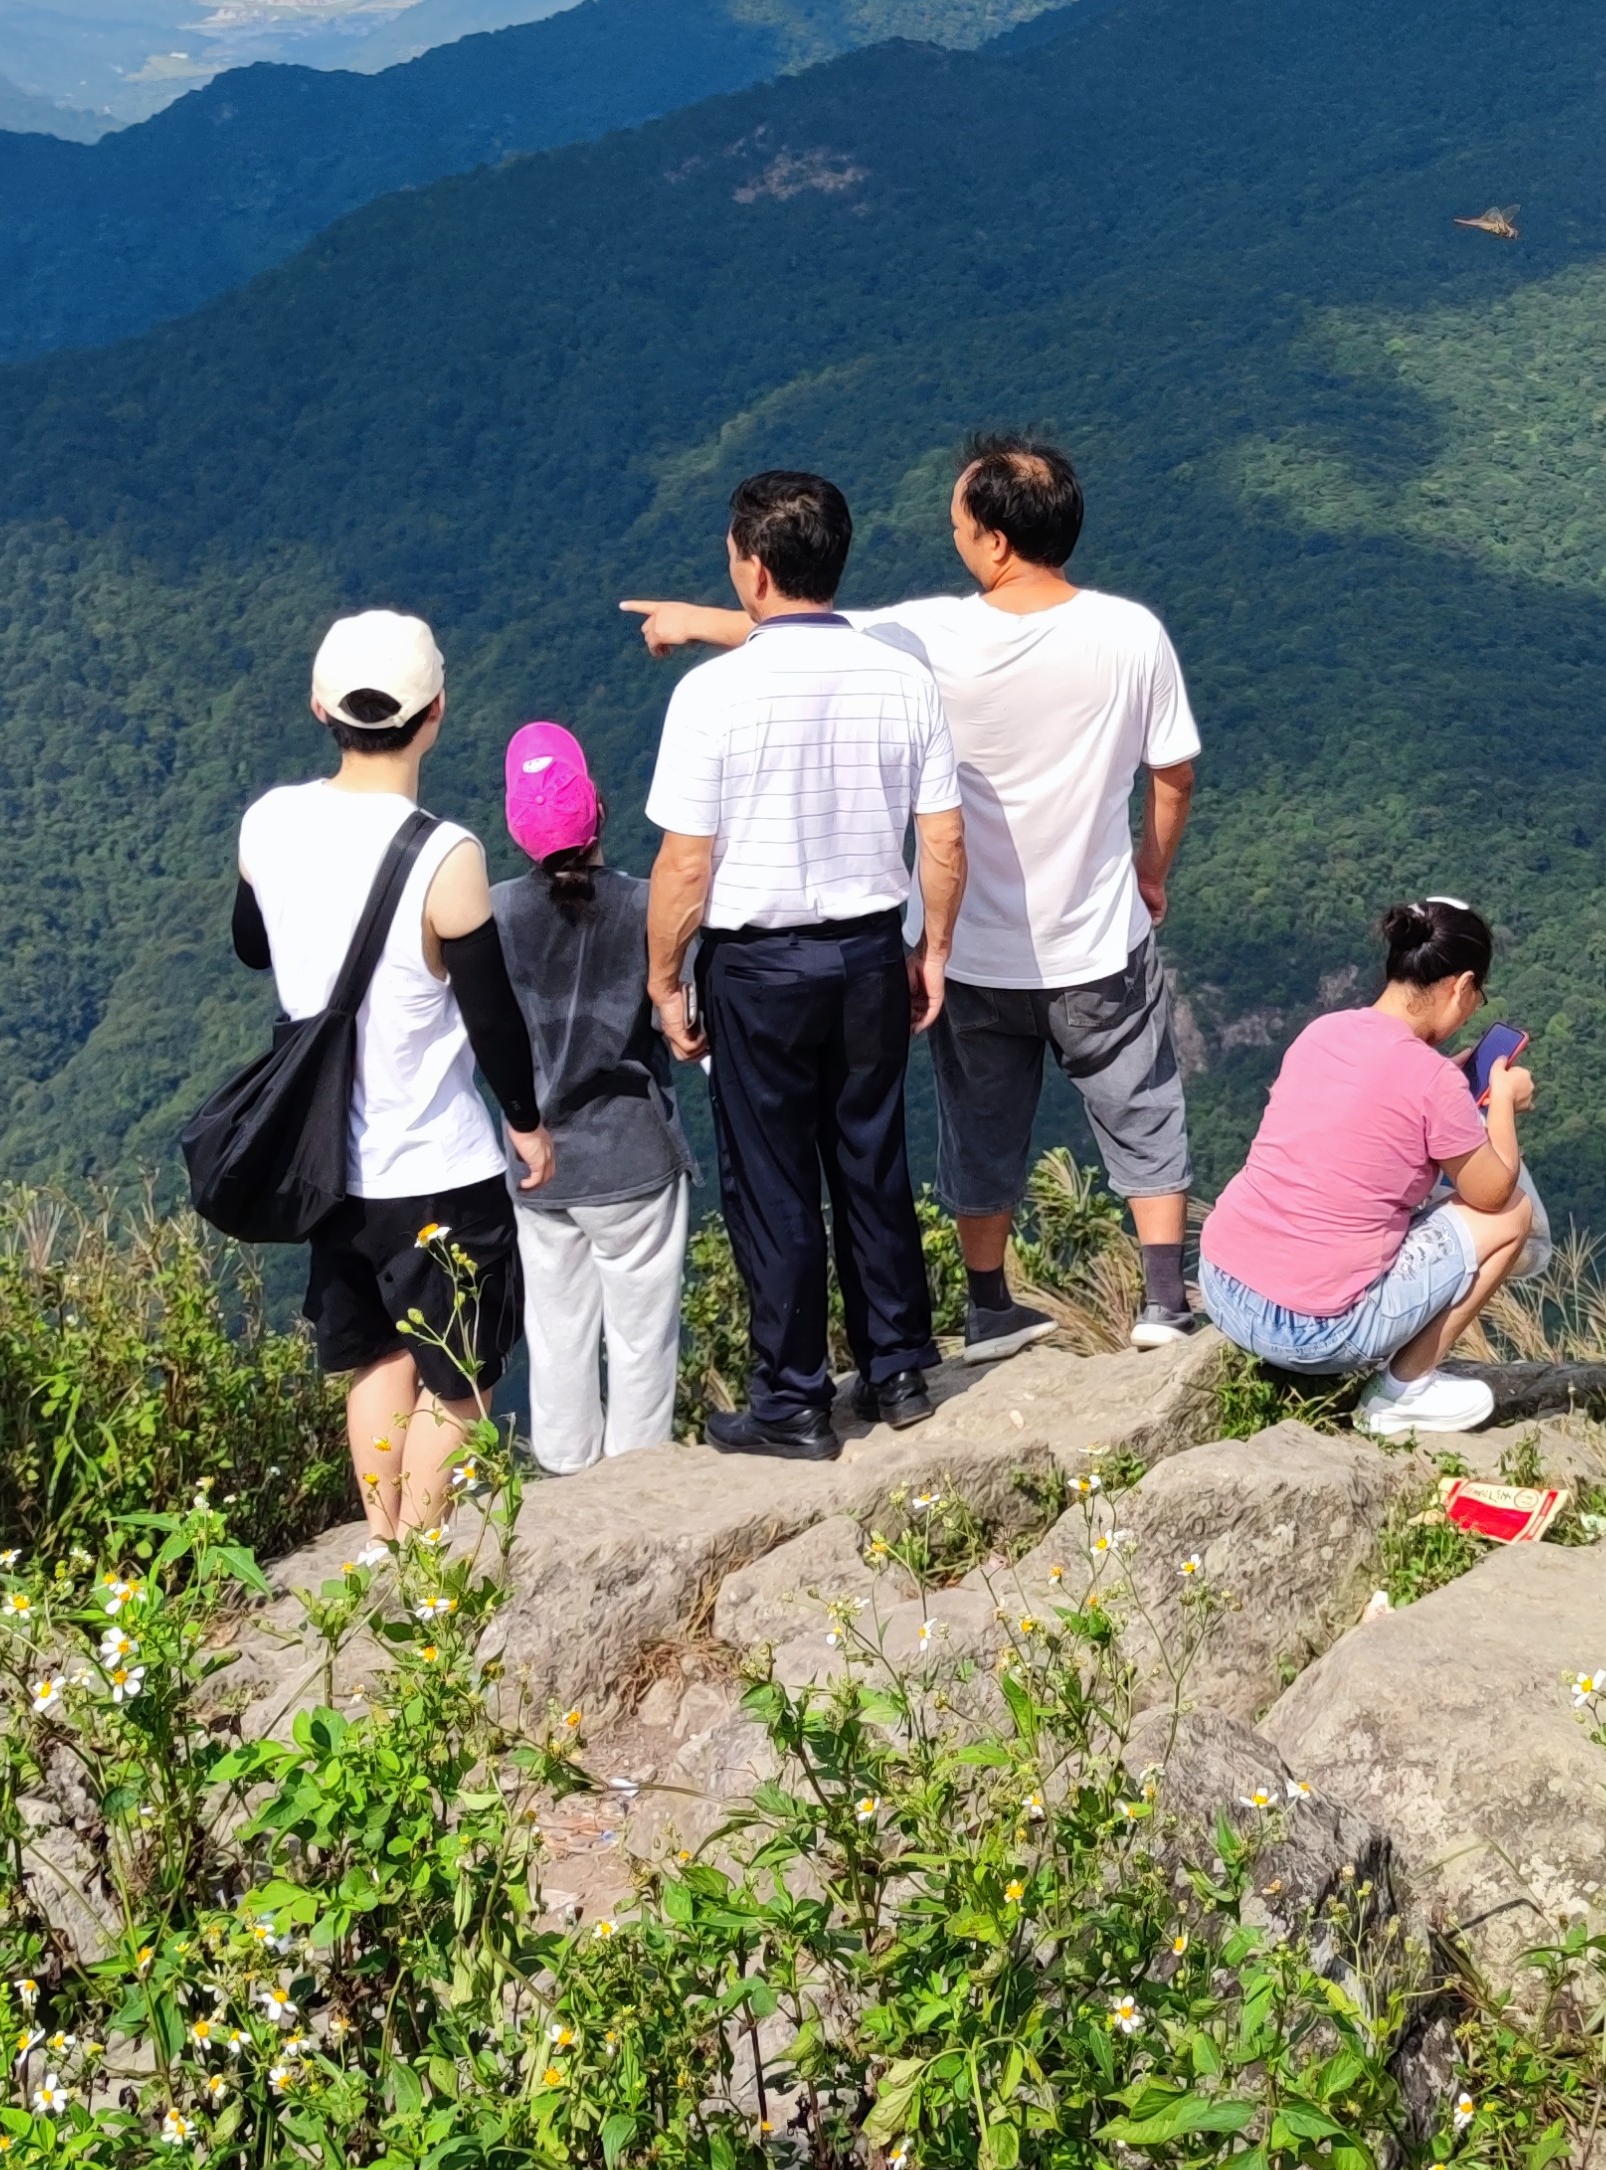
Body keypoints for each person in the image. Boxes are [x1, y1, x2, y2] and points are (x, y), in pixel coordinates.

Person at [630, 433, 1203, 1355]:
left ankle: (986, 1307)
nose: (954, 535)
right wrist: (1150, 870)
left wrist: (692, 622)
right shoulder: (1133, 633)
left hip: (969, 949)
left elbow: (806, 635)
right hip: (1098, 936)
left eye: (960, 523)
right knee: (1139, 1103)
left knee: (980, 1124)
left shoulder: (936, 634)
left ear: (998, 545)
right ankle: (1166, 1302)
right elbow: (1172, 768)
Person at [642, 471, 968, 1459]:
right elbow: (943, 840)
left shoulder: (712, 694)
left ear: (754, 568)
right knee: (871, 1155)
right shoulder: (903, 682)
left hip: (758, 965)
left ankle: (789, 1401)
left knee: (773, 1178)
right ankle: (900, 1366)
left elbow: (686, 865)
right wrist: (932, 951)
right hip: (870, 949)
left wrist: (664, 981)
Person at [233, 611, 556, 1552]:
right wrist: (528, 1124)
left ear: (319, 707)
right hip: (436, 1164)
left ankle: (380, 1545)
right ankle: (421, 1557)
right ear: (436, 713)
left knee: (372, 1356)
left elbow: (253, 946)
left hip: (328, 1165)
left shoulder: (268, 823)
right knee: (459, 1381)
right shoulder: (445, 855)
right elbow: (492, 1018)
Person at [1195, 897, 1539, 1434]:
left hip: (1221, 1284)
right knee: (1513, 1216)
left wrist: (1448, 1085)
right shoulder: (1432, 1081)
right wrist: (1499, 1101)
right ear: (1461, 985)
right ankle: (1402, 1392)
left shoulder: (1324, 1031)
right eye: (1478, 996)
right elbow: (1492, 1194)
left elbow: (1368, 1104)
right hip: (1311, 1332)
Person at [490, 718, 689, 1472]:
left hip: (539, 1166)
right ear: (599, 809)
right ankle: (639, 1483)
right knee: (641, 1336)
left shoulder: (496, 913)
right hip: (633, 1155)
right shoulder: (646, 906)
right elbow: (682, 1016)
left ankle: (566, 1475)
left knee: (558, 1333)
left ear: (516, 827)